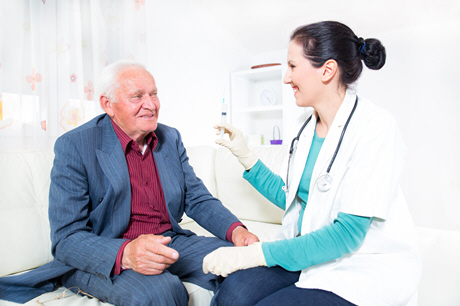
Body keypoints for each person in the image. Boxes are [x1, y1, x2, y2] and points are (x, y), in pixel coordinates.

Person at [0, 60, 259, 306]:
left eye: (153, 94)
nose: (150, 105)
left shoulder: (170, 137)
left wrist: (236, 230)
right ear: (108, 105)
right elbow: (67, 238)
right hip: (108, 251)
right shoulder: (76, 145)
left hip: (167, 241)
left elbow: (197, 198)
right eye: (137, 96)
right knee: (162, 291)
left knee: (245, 262)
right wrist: (126, 253)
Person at [204, 21, 422, 306]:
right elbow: (291, 196)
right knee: (232, 295)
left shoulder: (375, 127)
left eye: (293, 66)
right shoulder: (303, 127)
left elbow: (346, 235)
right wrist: (246, 155)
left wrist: (257, 254)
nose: (286, 77)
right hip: (308, 255)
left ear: (327, 70)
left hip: (360, 265)